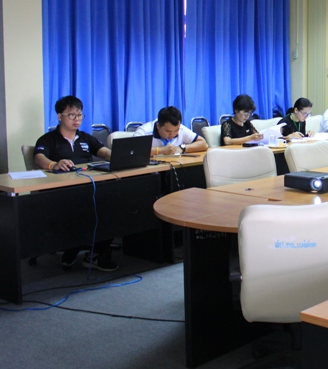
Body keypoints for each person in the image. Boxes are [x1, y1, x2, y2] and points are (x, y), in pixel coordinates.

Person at [34, 95, 116, 271]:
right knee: (93, 207)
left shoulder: (85, 137)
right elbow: (39, 157)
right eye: (71, 115)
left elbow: (103, 151)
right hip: (62, 191)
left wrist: (117, 157)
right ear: (59, 116)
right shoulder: (48, 139)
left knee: (114, 203)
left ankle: (94, 253)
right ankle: (75, 245)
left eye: (79, 115)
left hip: (89, 185)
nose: (76, 119)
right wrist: (54, 165)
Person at [135, 106, 208, 156]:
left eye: (176, 130)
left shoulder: (181, 129)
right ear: (158, 126)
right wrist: (160, 150)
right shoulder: (144, 131)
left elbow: (203, 144)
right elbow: (134, 151)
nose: (172, 135)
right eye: (168, 131)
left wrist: (182, 148)